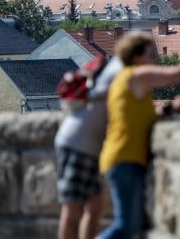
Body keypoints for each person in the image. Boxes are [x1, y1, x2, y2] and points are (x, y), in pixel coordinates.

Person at [98, 31, 180, 239]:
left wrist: (171, 109)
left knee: (133, 226)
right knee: (126, 226)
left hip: (124, 158)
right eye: (151, 53)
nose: (154, 58)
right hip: (125, 158)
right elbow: (177, 75)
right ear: (136, 55)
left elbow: (140, 118)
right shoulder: (136, 75)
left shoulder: (125, 81)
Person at [55, 55, 123, 239]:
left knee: (95, 206)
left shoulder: (113, 70)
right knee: (72, 209)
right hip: (76, 145)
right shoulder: (118, 72)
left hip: (86, 147)